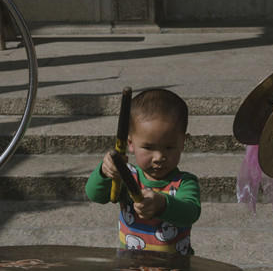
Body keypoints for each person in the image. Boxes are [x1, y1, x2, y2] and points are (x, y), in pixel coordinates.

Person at [85, 89, 201, 255]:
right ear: (130, 143)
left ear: (183, 142)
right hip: (131, 264)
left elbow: (190, 213)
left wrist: (162, 204)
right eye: (148, 147)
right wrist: (104, 172)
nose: (159, 157)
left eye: (169, 147)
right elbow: (95, 195)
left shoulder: (185, 182)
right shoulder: (126, 176)